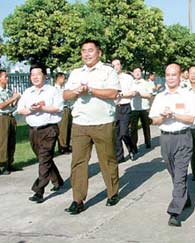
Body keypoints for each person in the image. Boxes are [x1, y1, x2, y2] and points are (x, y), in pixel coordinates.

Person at [63, 40, 120, 215]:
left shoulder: (108, 71)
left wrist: (91, 91)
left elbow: (113, 93)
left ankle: (112, 192)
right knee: (78, 162)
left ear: (99, 53)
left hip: (103, 122)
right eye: (83, 51)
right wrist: (76, 92)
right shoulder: (75, 73)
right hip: (80, 124)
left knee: (107, 159)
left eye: (90, 50)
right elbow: (65, 95)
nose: (86, 54)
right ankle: (77, 200)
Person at [149, 63, 194, 227]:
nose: (170, 78)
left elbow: (190, 119)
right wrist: (162, 117)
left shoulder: (187, 95)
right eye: (167, 75)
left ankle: (174, 212)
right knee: (174, 174)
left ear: (180, 75)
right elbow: (154, 119)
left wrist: (174, 115)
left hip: (182, 138)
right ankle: (184, 197)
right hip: (166, 139)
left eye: (173, 74)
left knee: (180, 174)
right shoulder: (161, 97)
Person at [17, 64, 64, 203]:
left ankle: (39, 190)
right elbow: (20, 110)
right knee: (44, 158)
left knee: (44, 160)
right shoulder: (28, 92)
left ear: (45, 75)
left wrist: (43, 107)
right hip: (33, 130)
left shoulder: (52, 91)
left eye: (38, 74)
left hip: (49, 129)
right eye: (32, 75)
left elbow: (57, 108)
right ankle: (58, 181)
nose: (35, 77)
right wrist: (32, 109)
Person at [112, 59, 137, 163]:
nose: (115, 67)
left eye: (117, 64)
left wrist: (121, 95)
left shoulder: (128, 78)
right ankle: (119, 156)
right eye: (113, 65)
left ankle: (132, 148)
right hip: (113, 108)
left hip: (125, 106)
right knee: (116, 134)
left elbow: (133, 92)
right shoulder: (109, 79)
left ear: (121, 66)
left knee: (124, 133)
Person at [0, 69, 21, 175]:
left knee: (11, 140)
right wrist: (12, 98)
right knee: (3, 141)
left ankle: (9, 162)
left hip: (10, 116)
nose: (7, 78)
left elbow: (11, 105)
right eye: (5, 77)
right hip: (2, 117)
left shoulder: (8, 91)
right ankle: (2, 164)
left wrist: (16, 99)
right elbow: (1, 105)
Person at [130, 67, 153, 151]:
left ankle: (148, 141)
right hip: (133, 108)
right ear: (133, 73)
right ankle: (134, 146)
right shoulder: (130, 83)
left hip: (144, 107)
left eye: (139, 71)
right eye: (135, 71)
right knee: (133, 128)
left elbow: (150, 95)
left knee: (146, 126)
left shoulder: (146, 83)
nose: (137, 73)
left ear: (141, 73)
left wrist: (140, 94)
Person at [54, 72, 72, 154]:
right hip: (61, 109)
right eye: (63, 78)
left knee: (68, 128)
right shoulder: (55, 89)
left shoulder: (63, 88)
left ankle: (67, 145)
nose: (64, 80)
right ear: (59, 78)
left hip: (67, 108)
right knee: (62, 129)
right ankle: (62, 147)